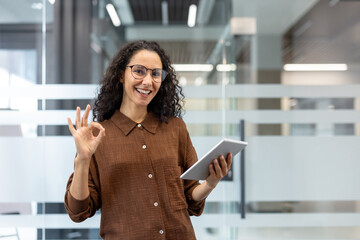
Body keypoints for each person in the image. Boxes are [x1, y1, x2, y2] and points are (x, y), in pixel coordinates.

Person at [64, 40, 232, 240]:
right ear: (120, 74)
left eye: (155, 74)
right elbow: (78, 211)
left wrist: (210, 183)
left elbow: (191, 200)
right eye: (139, 71)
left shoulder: (175, 128)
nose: (147, 81)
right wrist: (83, 161)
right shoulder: (98, 135)